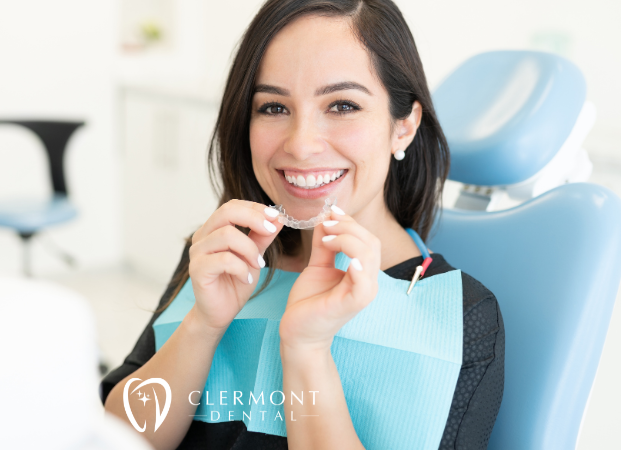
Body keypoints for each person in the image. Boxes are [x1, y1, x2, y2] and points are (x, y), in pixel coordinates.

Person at [101, 0, 504, 449]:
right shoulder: (224, 254)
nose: (302, 145)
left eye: (343, 105)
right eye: (273, 108)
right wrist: (202, 324)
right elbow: (111, 438)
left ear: (404, 126)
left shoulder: (461, 315)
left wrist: (307, 350)